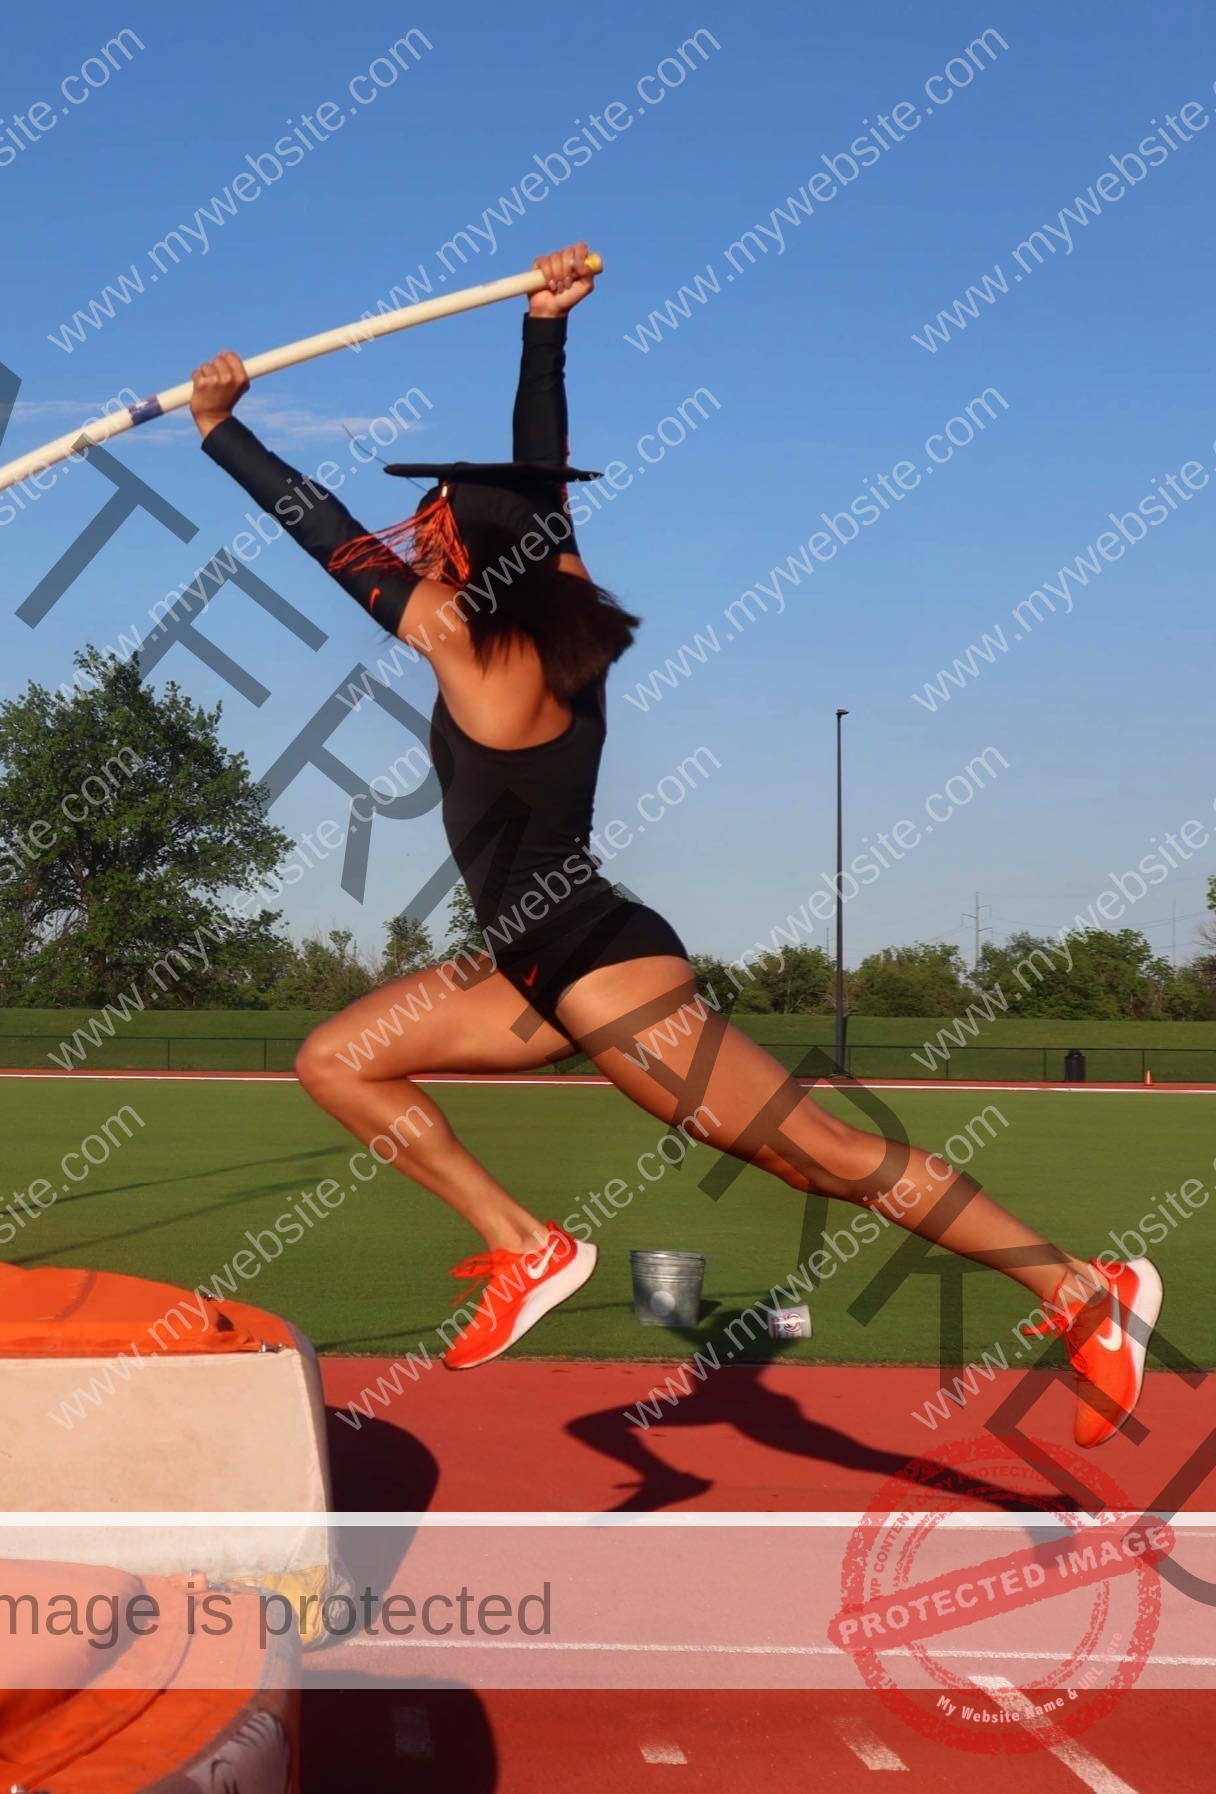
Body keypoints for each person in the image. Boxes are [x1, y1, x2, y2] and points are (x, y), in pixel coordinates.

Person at [190, 243, 1160, 1446]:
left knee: (827, 1157)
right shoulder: (562, 608)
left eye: (436, 529)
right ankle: (525, 1246)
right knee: (340, 1060)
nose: (420, 545)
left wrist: (224, 434)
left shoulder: (473, 646)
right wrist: (545, 328)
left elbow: (339, 545)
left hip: (598, 968)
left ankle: (1082, 1288)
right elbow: (543, 484)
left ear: (470, 557)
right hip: (534, 969)